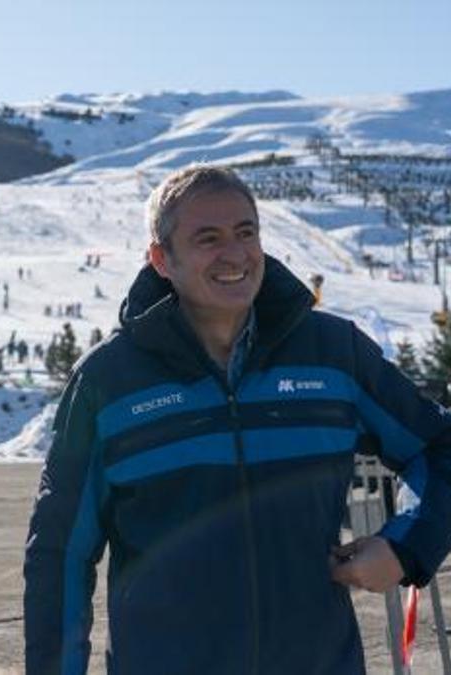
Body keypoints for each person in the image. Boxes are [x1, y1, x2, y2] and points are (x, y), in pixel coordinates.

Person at [24, 165, 451, 674]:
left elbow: (439, 448)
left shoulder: (334, 355)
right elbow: (61, 554)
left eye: (246, 233)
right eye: (208, 238)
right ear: (162, 259)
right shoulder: (108, 381)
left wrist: (405, 547)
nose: (235, 254)